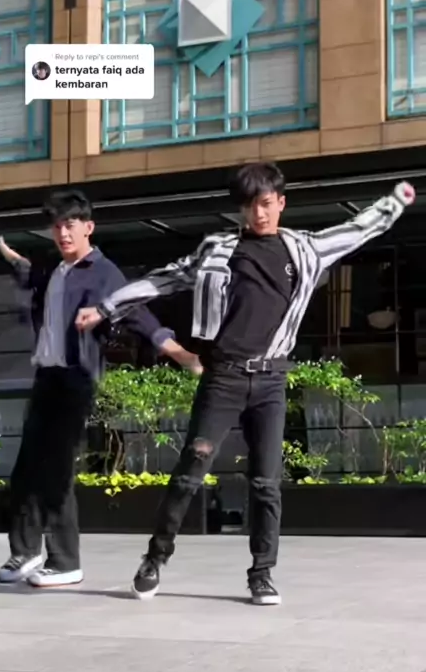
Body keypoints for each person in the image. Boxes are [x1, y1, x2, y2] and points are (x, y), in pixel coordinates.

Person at [76, 164, 416, 605]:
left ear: (281, 203)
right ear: (241, 209)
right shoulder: (218, 250)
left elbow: (357, 230)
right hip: (224, 376)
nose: (260, 214)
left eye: (267, 204)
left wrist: (396, 201)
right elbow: (165, 278)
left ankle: (262, 574)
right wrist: (107, 307)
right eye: (251, 206)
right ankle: (155, 558)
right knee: (190, 472)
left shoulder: (304, 250)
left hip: (272, 379)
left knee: (266, 483)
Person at [0, 189, 201, 588]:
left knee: (56, 470)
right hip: (46, 378)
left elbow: (137, 312)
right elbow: (31, 275)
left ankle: (64, 561)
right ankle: (25, 551)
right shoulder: (55, 269)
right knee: (26, 469)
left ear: (88, 227)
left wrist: (178, 352)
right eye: (57, 226)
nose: (62, 233)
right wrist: (13, 259)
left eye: (70, 225)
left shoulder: (104, 273)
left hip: (76, 380)